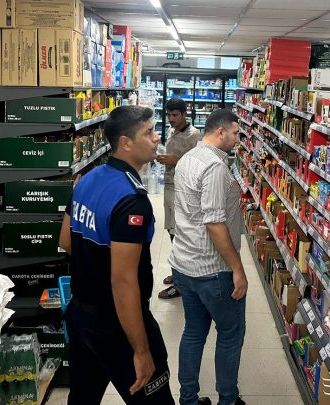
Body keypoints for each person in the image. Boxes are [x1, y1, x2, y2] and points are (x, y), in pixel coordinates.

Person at [59, 106, 175, 405]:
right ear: (126, 143)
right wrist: (141, 350)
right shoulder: (131, 200)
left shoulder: (87, 179)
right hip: (118, 327)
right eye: (148, 132)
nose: (156, 137)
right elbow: (123, 283)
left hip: (81, 317)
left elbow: (66, 241)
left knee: (82, 399)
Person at [169, 109, 247, 405]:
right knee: (230, 335)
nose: (239, 139)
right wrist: (237, 268)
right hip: (213, 270)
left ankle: (188, 399)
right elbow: (214, 223)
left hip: (185, 264)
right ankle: (228, 399)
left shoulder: (189, 158)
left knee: (193, 332)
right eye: (236, 133)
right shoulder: (214, 167)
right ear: (220, 132)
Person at [156, 98, 202, 299]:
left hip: (183, 191)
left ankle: (181, 285)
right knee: (171, 232)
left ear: (184, 114)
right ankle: (178, 274)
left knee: (180, 236)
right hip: (169, 186)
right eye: (169, 115)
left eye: (175, 115)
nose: (171, 119)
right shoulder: (172, 131)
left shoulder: (195, 136)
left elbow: (198, 165)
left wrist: (175, 160)